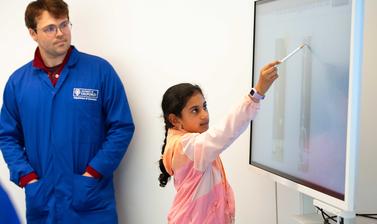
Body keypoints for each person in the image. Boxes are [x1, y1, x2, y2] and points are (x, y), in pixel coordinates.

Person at [0, 0, 135, 223]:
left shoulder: (99, 72)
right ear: (33, 33)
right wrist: (28, 178)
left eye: (64, 24)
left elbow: (121, 127)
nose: (60, 33)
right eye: (50, 28)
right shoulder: (18, 83)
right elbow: (7, 136)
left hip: (90, 201)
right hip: (43, 202)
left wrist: (93, 173)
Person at [158, 61, 279, 224]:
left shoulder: (182, 143)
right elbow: (226, 131)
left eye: (204, 106)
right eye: (195, 110)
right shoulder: (187, 146)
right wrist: (256, 93)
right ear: (175, 119)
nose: (204, 115)